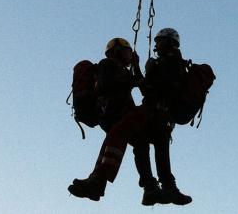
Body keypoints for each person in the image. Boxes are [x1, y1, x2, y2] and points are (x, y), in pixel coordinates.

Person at [68, 28, 192, 205]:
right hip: (117, 112)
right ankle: (152, 187)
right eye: (127, 51)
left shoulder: (168, 63)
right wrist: (137, 75)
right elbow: (113, 84)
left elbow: (150, 86)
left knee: (139, 142)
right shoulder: (109, 65)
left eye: (159, 42)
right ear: (117, 51)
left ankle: (147, 187)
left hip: (133, 113)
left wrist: (138, 71)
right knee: (137, 140)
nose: (130, 54)